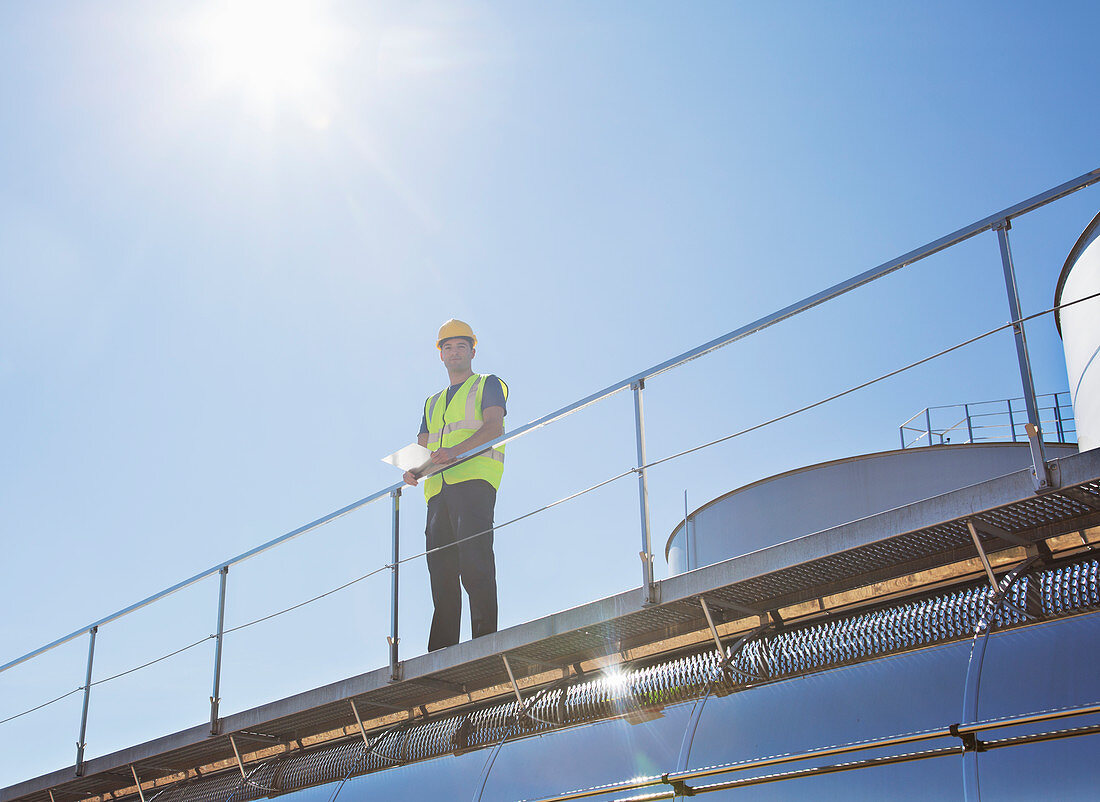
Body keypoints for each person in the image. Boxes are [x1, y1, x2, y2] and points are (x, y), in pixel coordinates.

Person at [403, 319, 508, 651]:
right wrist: (413, 471)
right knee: (441, 573)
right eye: (447, 347)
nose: (454, 352)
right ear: (440, 355)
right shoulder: (431, 402)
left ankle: (484, 643)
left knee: (475, 564)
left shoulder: (487, 383)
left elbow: (494, 427)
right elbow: (423, 448)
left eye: (461, 346)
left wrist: (455, 453)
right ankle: (441, 651)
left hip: (473, 484)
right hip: (437, 493)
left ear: (472, 351)